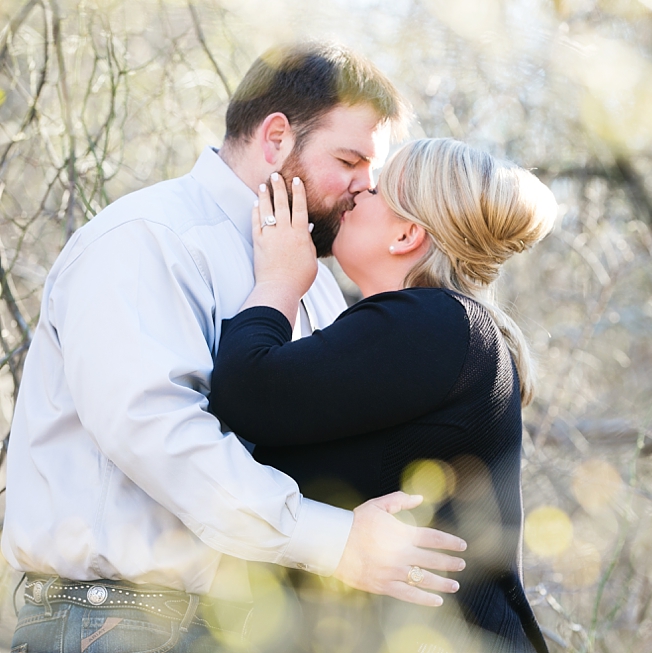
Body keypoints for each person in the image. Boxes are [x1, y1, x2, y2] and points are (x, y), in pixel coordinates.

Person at [1, 43, 467, 653]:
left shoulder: (314, 281)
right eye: (349, 160)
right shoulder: (148, 239)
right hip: (120, 624)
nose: (362, 190)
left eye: (371, 175)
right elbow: (158, 431)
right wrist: (337, 541)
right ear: (276, 138)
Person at [208, 138, 557, 653]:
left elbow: (247, 391)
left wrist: (279, 280)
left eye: (376, 190)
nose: (356, 195)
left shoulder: (433, 324)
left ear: (408, 234)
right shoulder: (435, 332)